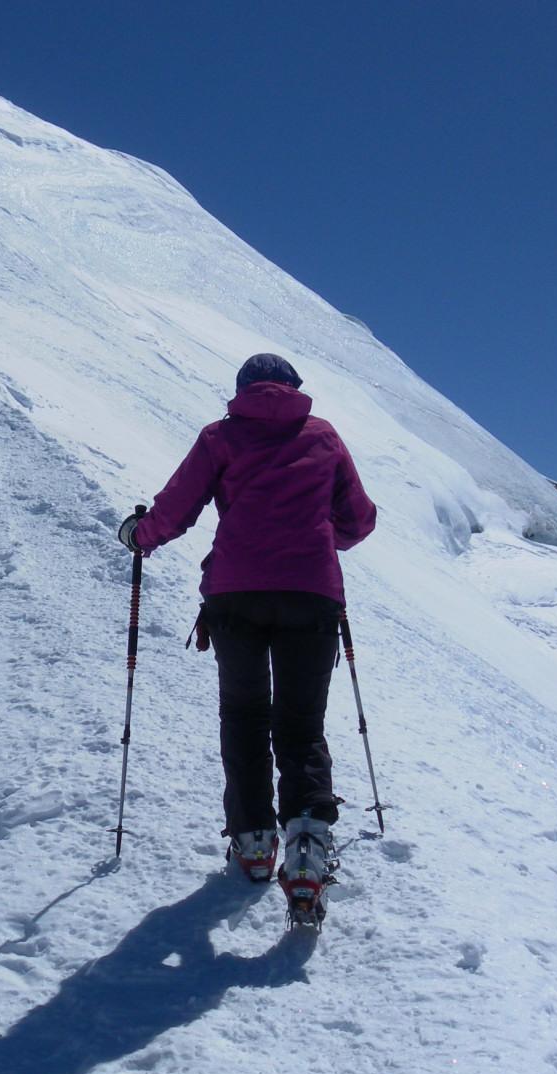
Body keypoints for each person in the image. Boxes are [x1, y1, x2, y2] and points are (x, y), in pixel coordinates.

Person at [117, 353, 377, 908]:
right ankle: (306, 841)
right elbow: (359, 520)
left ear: (242, 389)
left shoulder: (221, 437)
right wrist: (316, 533)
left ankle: (254, 841)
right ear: (294, 387)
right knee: (301, 724)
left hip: (235, 595)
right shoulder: (323, 437)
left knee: (244, 714)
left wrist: (139, 536)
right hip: (311, 594)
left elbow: (176, 509)